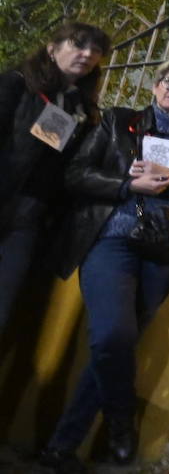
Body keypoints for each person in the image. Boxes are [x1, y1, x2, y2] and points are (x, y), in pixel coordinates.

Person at [39, 56, 169, 471]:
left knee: (117, 347)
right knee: (111, 337)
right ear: (155, 86)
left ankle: (61, 448)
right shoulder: (118, 122)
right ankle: (122, 421)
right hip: (111, 240)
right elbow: (77, 174)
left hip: (163, 247)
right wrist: (127, 184)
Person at [0, 23, 109, 335]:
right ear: (52, 48)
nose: (87, 54)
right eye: (78, 44)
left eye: (96, 50)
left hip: (27, 218)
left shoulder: (80, 108)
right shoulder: (16, 84)